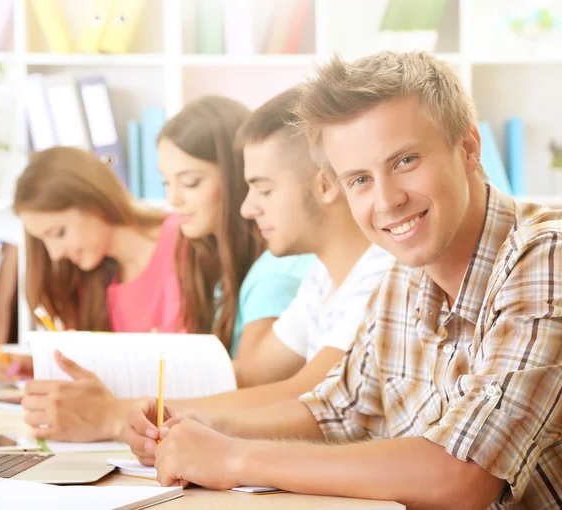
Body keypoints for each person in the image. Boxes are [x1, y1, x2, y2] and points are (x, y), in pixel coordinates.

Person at [148, 52, 562, 509]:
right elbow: (336, 412)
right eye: (360, 179)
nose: (387, 201)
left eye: (405, 160)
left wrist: (234, 460)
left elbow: (463, 474)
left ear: (468, 148)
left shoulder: (545, 256)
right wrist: (182, 422)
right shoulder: (399, 275)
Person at [121, 88, 393, 464]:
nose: (247, 208)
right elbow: (252, 373)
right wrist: (157, 408)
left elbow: (309, 396)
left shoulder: (382, 272)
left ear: (326, 185)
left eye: (263, 189)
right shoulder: (321, 277)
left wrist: (120, 413)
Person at [0, 146, 183, 441]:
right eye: (44, 241)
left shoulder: (181, 241)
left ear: (94, 200)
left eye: (58, 233)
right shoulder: (95, 280)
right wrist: (45, 364)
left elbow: (179, 369)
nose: (55, 254)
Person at [156, 95, 313, 378]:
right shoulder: (204, 253)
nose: (173, 199)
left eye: (190, 182)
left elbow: (254, 380)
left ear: (237, 177)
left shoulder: (275, 274)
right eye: (166, 182)